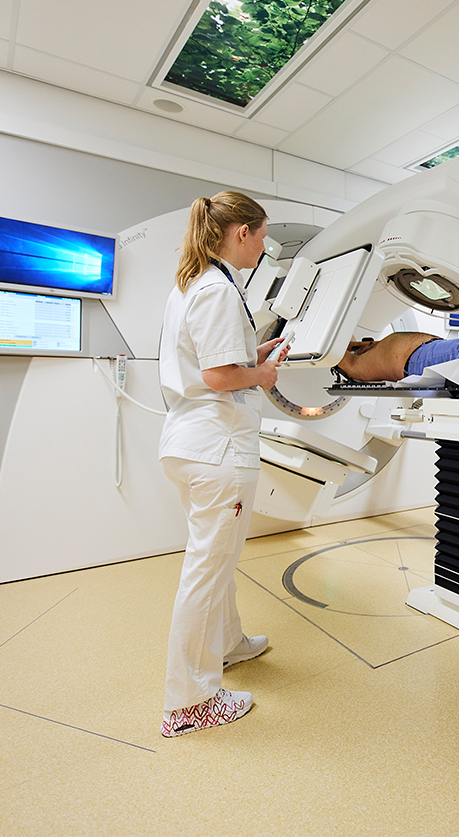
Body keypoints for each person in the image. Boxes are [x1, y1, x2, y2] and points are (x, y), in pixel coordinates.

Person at [158, 192, 289, 737]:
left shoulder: (194, 283)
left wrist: (254, 356)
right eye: (262, 237)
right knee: (207, 571)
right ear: (241, 233)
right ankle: (190, 702)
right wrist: (261, 375)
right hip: (217, 448)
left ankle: (228, 643)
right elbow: (217, 377)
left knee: (217, 559)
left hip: (193, 444)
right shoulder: (216, 289)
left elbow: (210, 360)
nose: (263, 248)